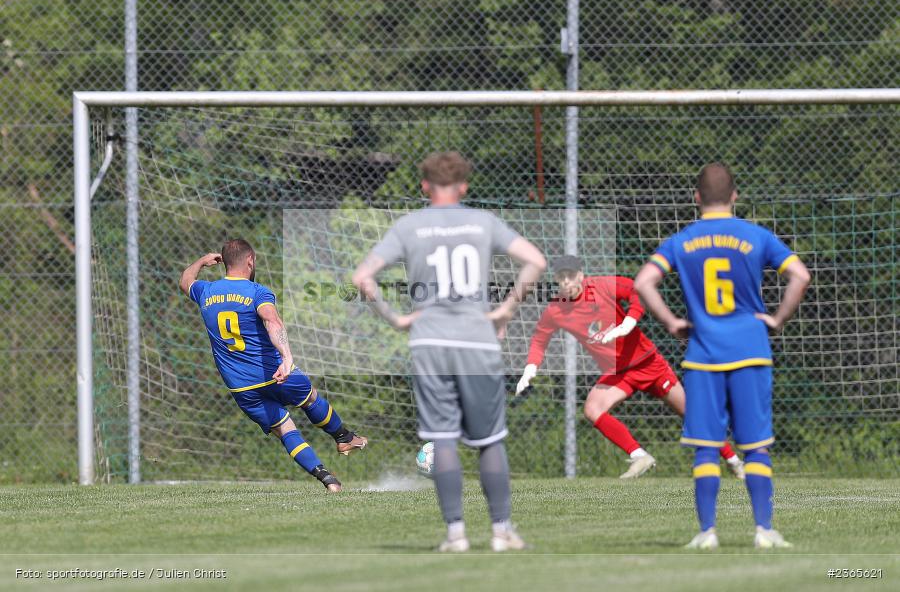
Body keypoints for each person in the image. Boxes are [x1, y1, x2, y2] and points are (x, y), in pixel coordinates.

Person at [352, 151, 546, 552]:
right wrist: (507, 308)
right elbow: (536, 261)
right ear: (464, 186)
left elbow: (363, 277)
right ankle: (501, 531)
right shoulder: (482, 221)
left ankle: (456, 535)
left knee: (442, 439)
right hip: (476, 339)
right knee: (489, 440)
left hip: (430, 342)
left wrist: (395, 318)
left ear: (424, 186)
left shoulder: (409, 226)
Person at [634, 163, 810, 549]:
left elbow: (643, 282)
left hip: (703, 355)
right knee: (756, 445)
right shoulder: (756, 235)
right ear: (735, 196)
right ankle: (764, 530)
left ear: (696, 198)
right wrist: (778, 318)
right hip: (751, 352)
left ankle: (707, 532)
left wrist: (670, 322)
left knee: (706, 445)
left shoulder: (681, 241)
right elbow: (800, 275)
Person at [517, 255, 744, 480]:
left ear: (581, 276)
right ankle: (640, 456)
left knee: (692, 415)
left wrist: (628, 322)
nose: (566, 281)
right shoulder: (556, 309)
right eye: (561, 277)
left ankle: (734, 462)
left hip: (648, 364)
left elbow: (637, 291)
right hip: (618, 373)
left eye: (571, 275)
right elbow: (539, 339)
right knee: (592, 410)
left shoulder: (602, 286)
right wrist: (530, 369)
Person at [180, 239, 367, 492]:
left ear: (224, 262)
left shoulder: (206, 291)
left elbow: (185, 281)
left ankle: (328, 480)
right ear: (250, 261)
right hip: (273, 373)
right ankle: (343, 437)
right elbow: (273, 322)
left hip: (241, 387)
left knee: (285, 429)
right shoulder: (257, 292)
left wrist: (202, 262)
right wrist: (287, 358)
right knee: (310, 398)